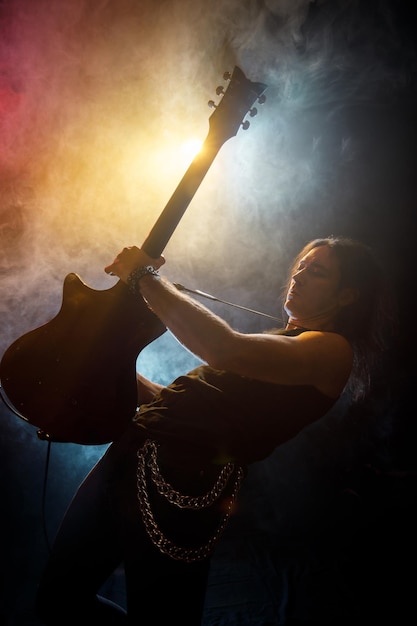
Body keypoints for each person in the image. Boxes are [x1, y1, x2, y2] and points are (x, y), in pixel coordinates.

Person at [35, 235, 395, 625]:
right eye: (302, 266)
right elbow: (181, 404)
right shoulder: (285, 343)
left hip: (185, 482)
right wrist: (119, 374)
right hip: (128, 456)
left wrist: (143, 275)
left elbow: (225, 348)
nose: (300, 275)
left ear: (347, 297)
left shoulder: (331, 350)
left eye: (319, 271)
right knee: (58, 600)